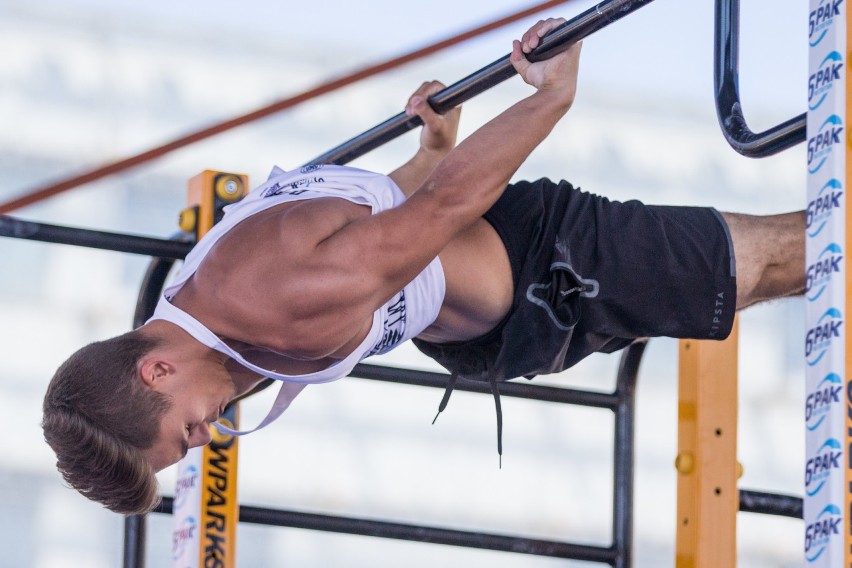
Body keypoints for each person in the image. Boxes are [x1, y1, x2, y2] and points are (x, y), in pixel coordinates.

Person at [42, 18, 805, 516]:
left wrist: (549, 100)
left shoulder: (265, 295)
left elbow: (441, 209)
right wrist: (428, 150)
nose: (207, 438)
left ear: (156, 373)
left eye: (187, 432)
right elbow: (367, 224)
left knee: (773, 261)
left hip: (549, 266)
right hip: (489, 324)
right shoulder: (194, 317)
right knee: (761, 273)